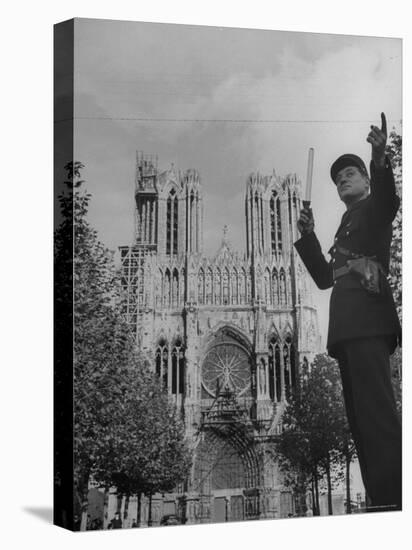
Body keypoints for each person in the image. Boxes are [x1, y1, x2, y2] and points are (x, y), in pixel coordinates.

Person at [294, 113, 401, 513]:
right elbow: (325, 278)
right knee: (360, 424)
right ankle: (381, 500)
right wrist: (308, 236)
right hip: (346, 330)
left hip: (369, 324)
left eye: (351, 173)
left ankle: (394, 500)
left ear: (367, 181)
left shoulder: (375, 208)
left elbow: (390, 199)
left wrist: (378, 157)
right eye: (338, 177)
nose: (343, 179)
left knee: (378, 417)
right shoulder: (343, 224)